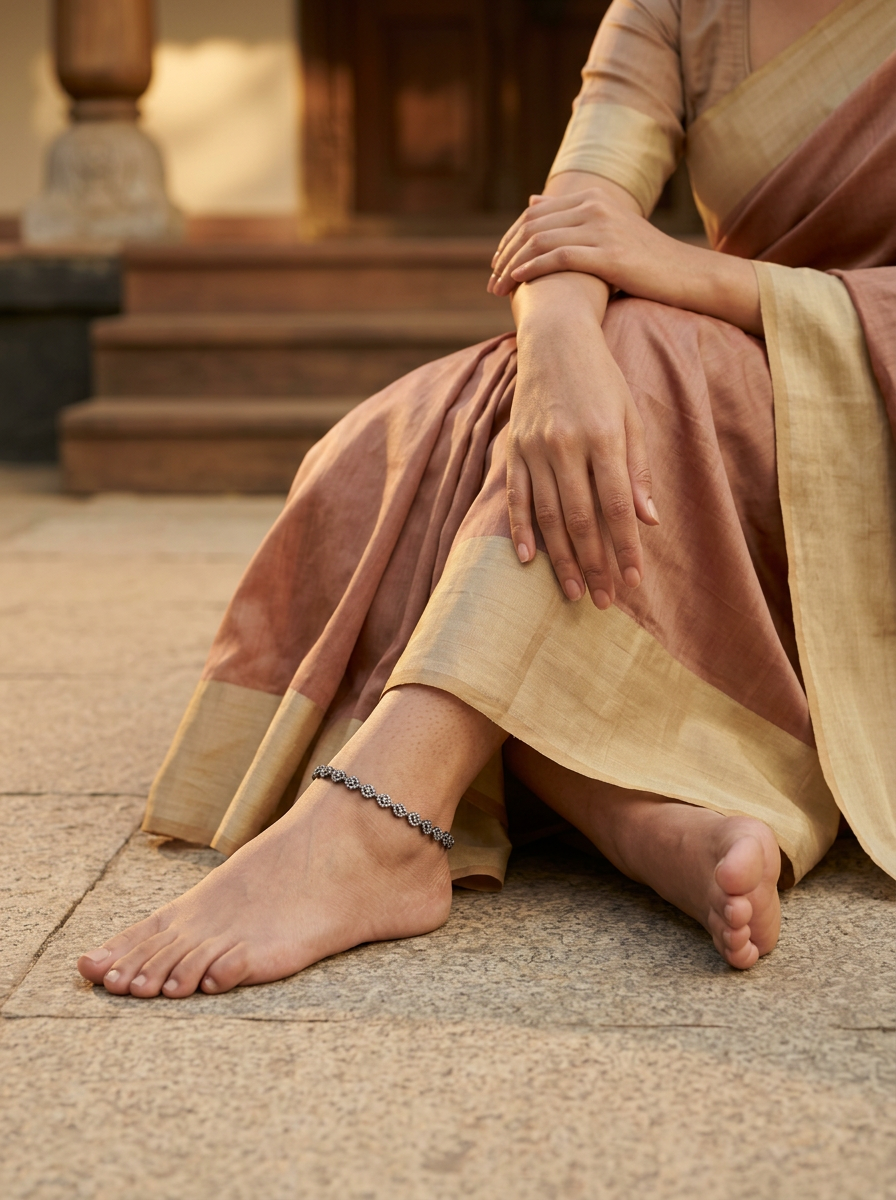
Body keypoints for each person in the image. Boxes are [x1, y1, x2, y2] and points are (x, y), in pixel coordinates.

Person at [78, 0, 896, 998]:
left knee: (643, 352)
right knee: (421, 426)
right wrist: (556, 357)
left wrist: (683, 274)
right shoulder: (675, 10)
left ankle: (378, 818)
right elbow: (577, 203)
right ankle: (643, 824)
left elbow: (635, 256)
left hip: (859, 431)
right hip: (723, 389)